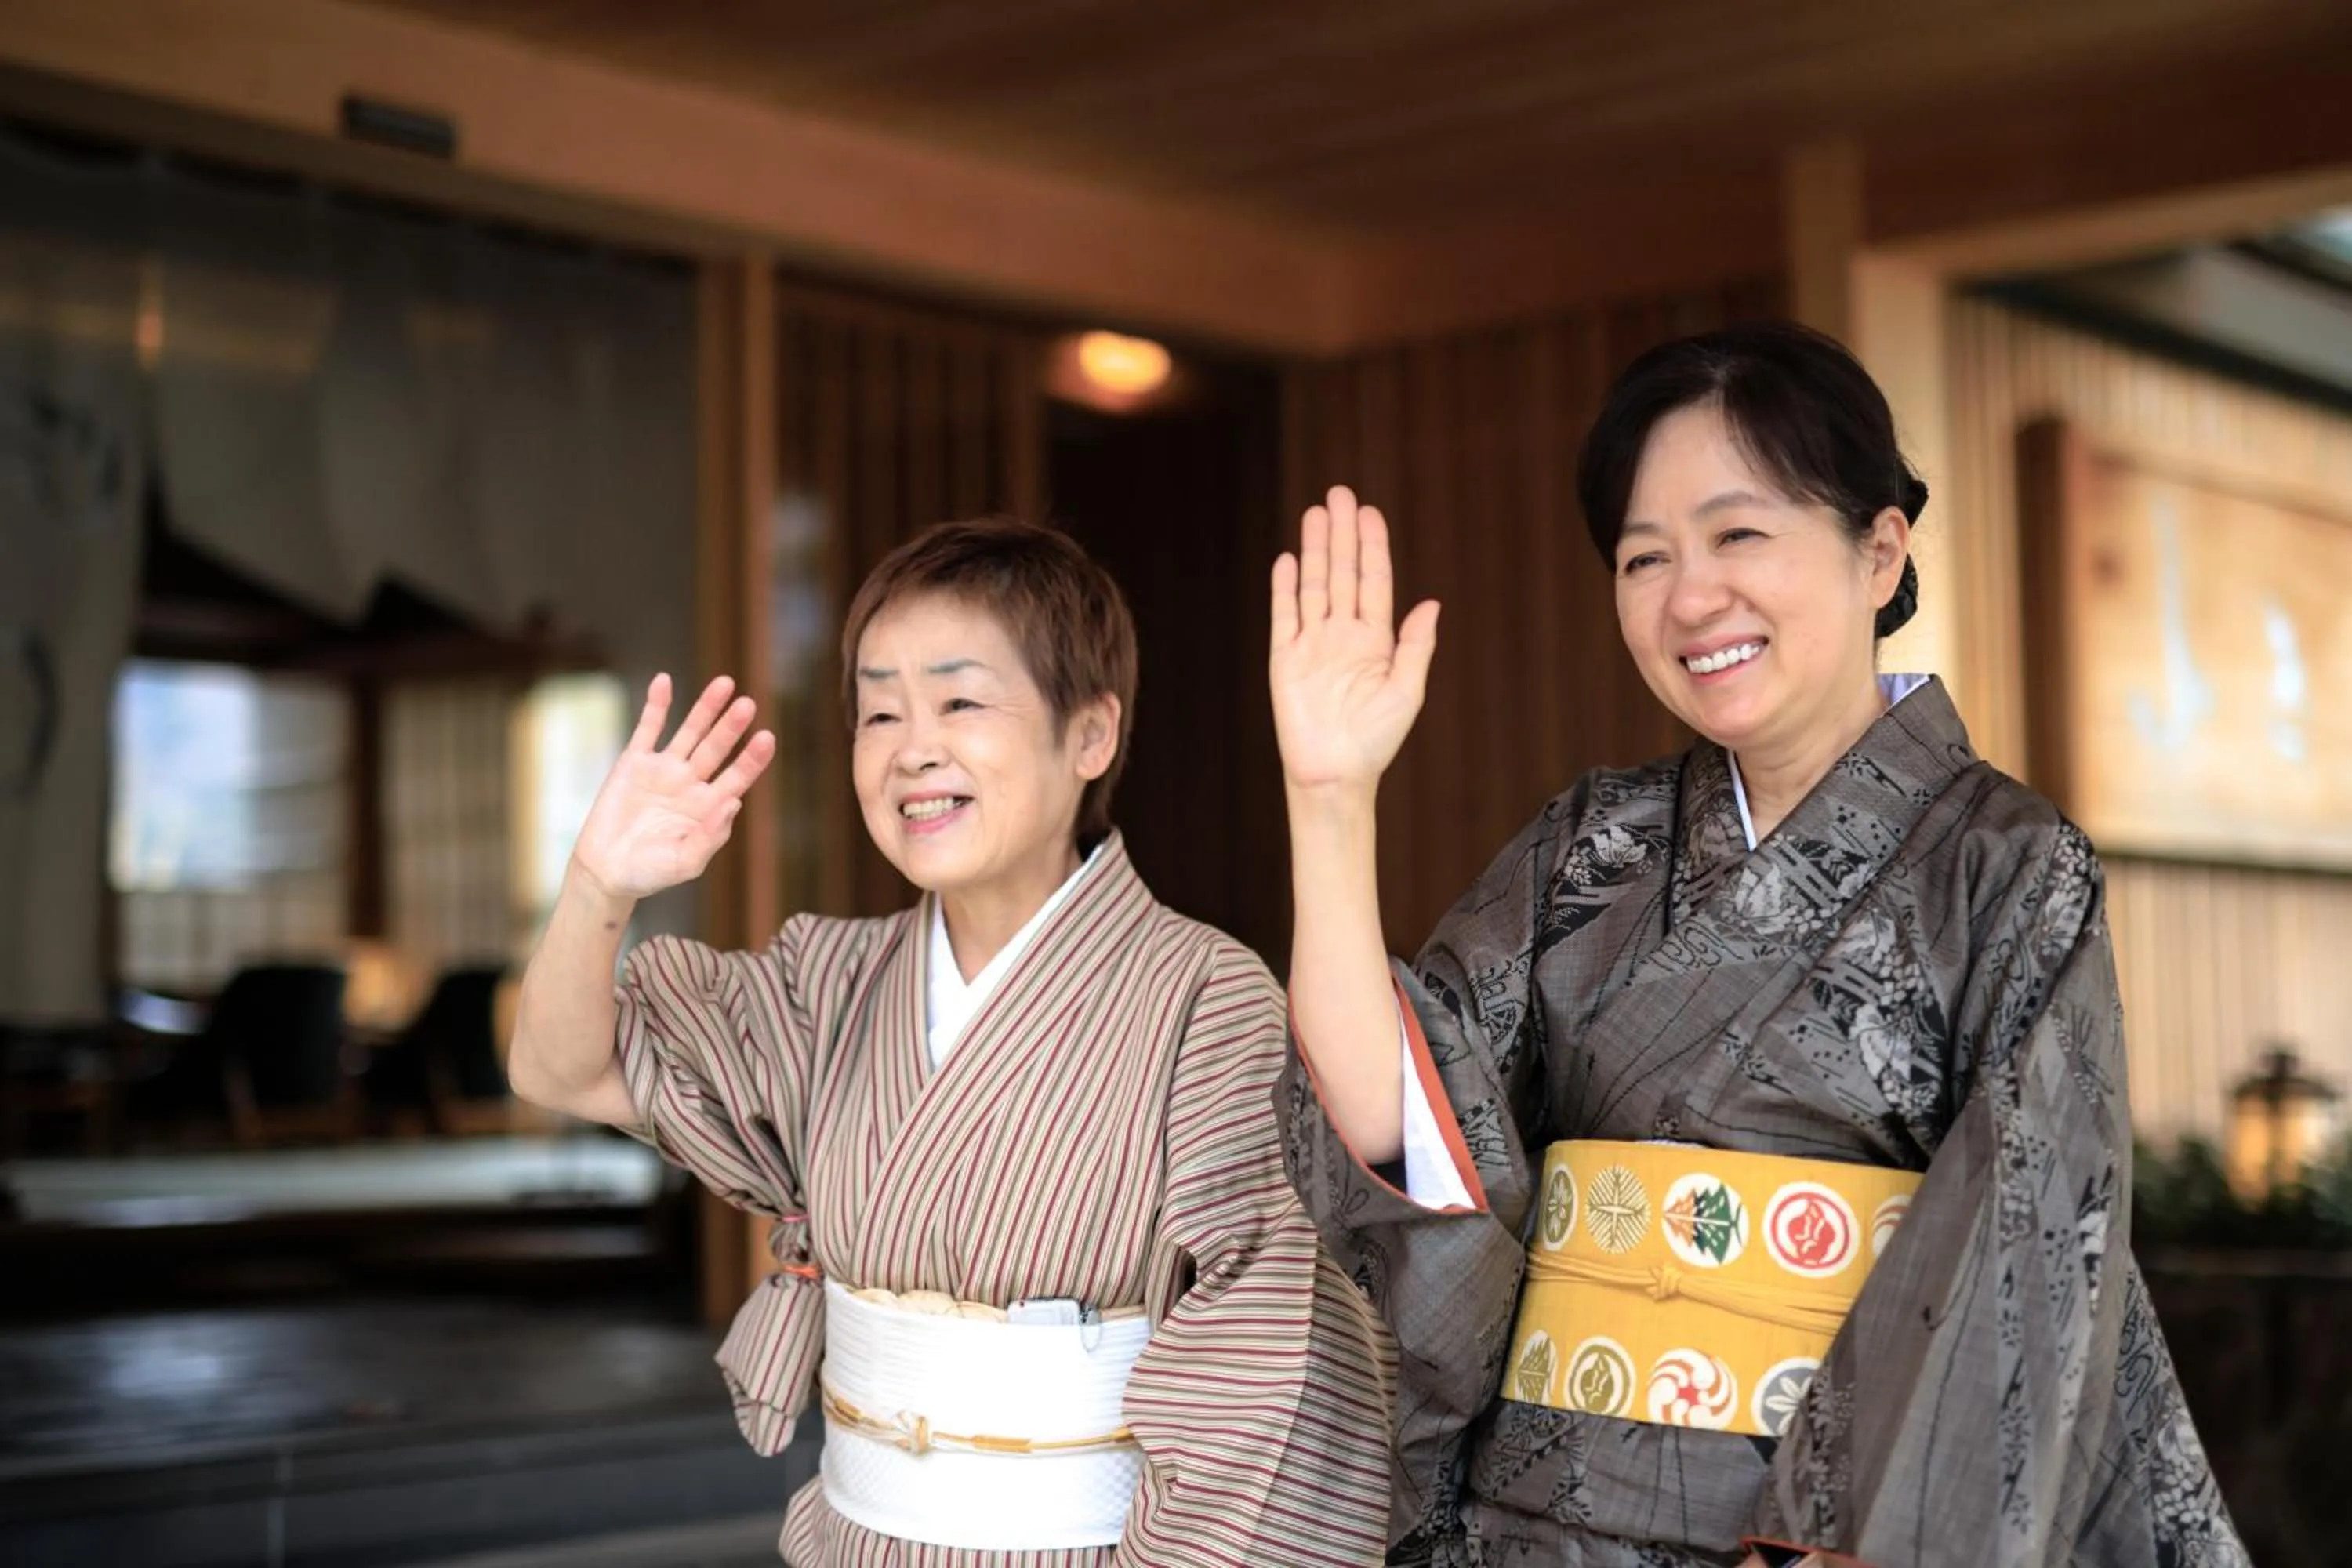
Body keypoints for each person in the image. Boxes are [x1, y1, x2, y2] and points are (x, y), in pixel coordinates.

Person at [1269, 322, 2245, 1567]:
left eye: (1739, 535)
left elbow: (2031, 1245)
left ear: (1880, 551)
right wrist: (1329, 796)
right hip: (1540, 1530)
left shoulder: (2004, 863)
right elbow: (1399, 1133)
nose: (1690, 596)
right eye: (1644, 556)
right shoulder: (1592, 847)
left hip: (1832, 1534)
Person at [510, 519, 1390, 1566]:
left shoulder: (1206, 1000)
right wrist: (599, 885)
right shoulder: (827, 985)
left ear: (1091, 736)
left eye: (960, 701)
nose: (911, 747)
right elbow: (562, 1067)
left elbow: (1271, 1372)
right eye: (879, 711)